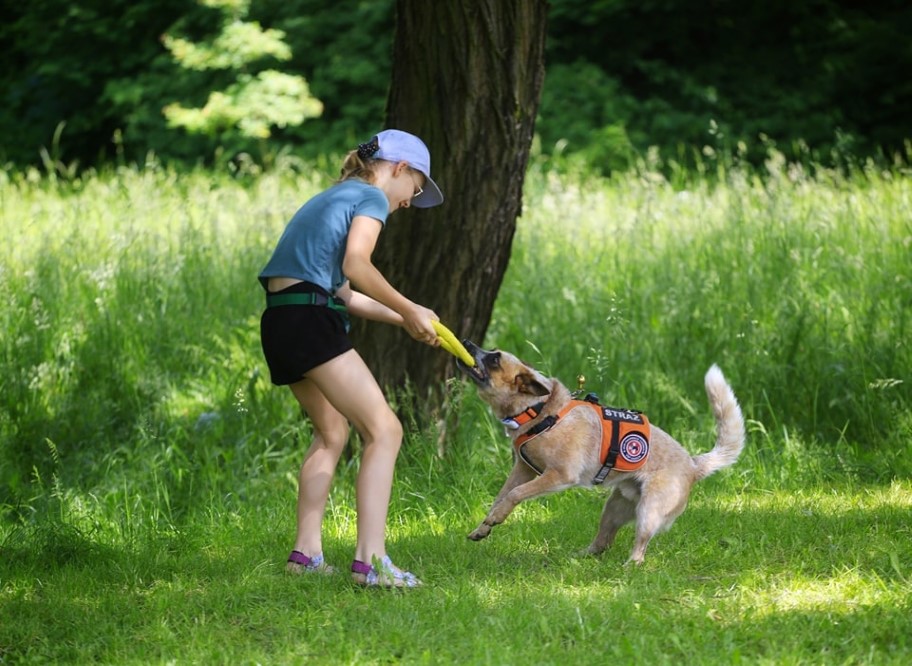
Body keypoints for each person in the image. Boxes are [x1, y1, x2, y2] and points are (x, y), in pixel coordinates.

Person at [258, 129, 444, 588]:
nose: (408, 202)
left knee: (331, 433)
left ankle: (306, 555)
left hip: (282, 320)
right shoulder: (370, 196)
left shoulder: (334, 197)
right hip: (310, 320)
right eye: (415, 189)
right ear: (398, 168)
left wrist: (406, 319)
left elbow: (344, 292)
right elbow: (357, 266)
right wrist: (410, 306)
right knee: (385, 430)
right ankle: (371, 562)